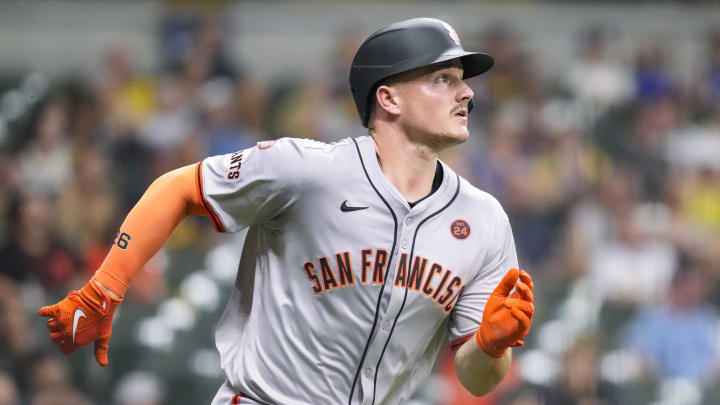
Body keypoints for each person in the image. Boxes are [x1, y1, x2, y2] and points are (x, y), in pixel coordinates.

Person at [37, 18, 535, 404]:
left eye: (461, 80)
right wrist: (105, 287)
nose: (466, 91)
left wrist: (491, 348)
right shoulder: (307, 170)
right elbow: (179, 187)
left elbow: (477, 381)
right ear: (388, 97)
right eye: (443, 78)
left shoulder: (484, 221)